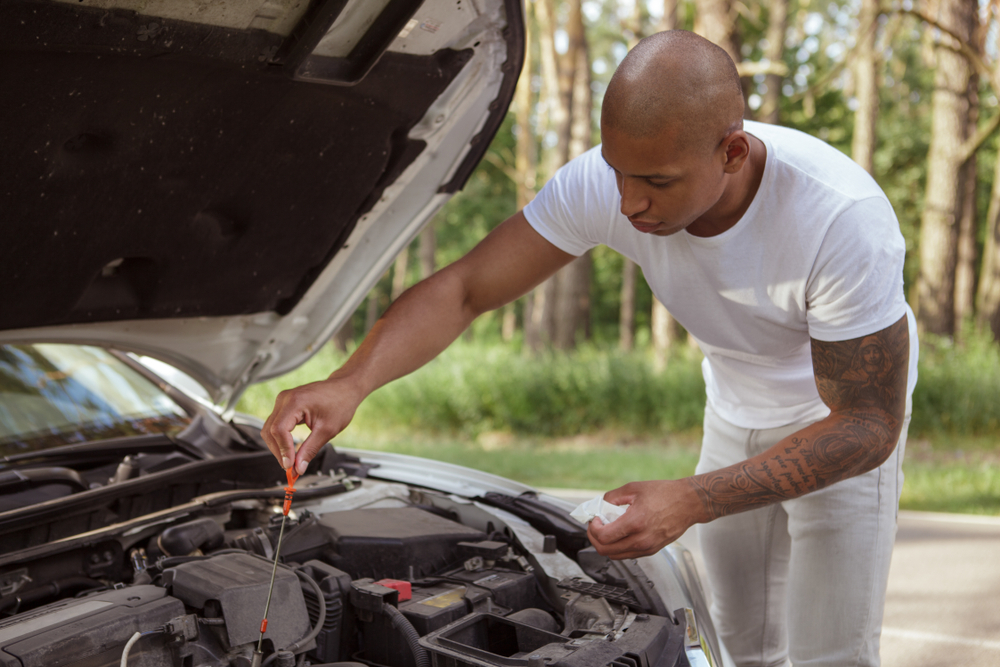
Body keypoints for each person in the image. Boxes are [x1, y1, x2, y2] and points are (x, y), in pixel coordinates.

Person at [262, 30, 918, 667]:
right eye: (618, 172)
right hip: (732, 410)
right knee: (741, 648)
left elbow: (867, 424)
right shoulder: (608, 185)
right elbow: (464, 289)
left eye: (657, 181)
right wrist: (350, 382)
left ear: (732, 153)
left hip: (835, 427)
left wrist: (693, 498)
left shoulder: (839, 219)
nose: (630, 202)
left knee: (833, 654)